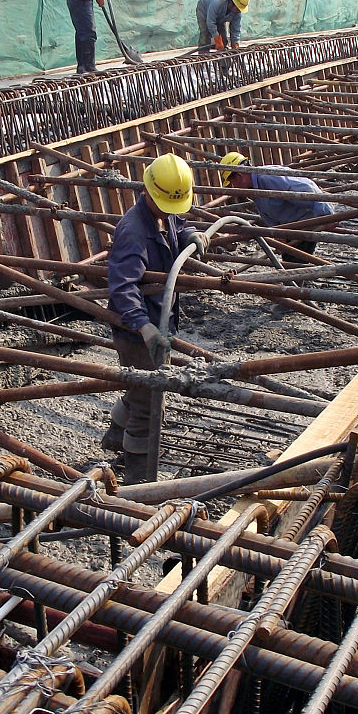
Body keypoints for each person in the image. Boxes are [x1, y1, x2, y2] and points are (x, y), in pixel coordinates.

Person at [105, 154, 206, 480]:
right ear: (148, 190)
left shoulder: (164, 213)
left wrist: (190, 235)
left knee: (140, 389)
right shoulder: (134, 231)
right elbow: (123, 287)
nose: (170, 211)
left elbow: (179, 223)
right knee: (151, 404)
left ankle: (114, 437)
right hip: (138, 332)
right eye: (165, 205)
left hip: (158, 320)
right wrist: (145, 327)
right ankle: (139, 478)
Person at [218, 152, 335, 258]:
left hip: (306, 223)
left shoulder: (269, 177)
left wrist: (328, 215)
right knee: (292, 265)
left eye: (232, 183)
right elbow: (267, 213)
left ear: (239, 177)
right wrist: (278, 236)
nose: (235, 187)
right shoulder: (253, 188)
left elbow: (307, 189)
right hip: (291, 229)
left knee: (295, 266)